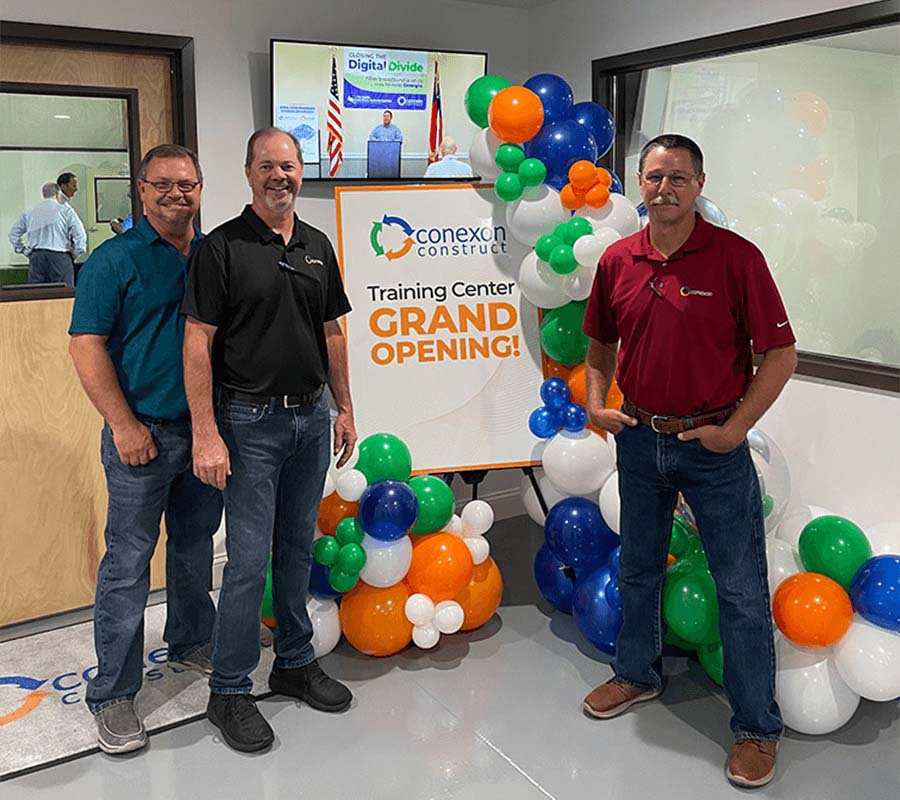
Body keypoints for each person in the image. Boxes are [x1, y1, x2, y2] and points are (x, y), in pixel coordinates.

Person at [581, 134, 797, 790]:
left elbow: (781, 356)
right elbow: (597, 346)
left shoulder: (736, 259)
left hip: (713, 449)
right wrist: (597, 404)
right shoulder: (619, 260)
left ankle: (757, 727)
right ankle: (637, 674)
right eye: (653, 177)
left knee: (740, 590)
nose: (664, 188)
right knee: (639, 569)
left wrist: (735, 430)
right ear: (639, 185)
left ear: (699, 185)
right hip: (641, 441)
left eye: (678, 177)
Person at [182, 127, 357, 753]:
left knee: (297, 550)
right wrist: (206, 432)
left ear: (301, 171)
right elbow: (196, 341)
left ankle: (292, 662)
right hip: (248, 425)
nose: (279, 175)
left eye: (288, 165)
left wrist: (345, 410)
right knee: (249, 559)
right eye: (267, 166)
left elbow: (332, 334)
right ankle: (229, 691)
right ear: (248, 173)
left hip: (311, 420)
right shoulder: (221, 248)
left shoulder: (317, 246)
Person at [68, 145, 223, 755]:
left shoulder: (215, 255)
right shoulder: (114, 261)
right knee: (128, 563)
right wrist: (124, 425)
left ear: (201, 190)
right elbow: (86, 348)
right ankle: (112, 693)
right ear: (141, 189)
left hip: (206, 434)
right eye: (163, 184)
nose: (175, 194)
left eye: (186, 185)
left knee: (191, 549)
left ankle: (189, 642)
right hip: (143, 437)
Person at [8, 182, 86, 287]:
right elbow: (80, 234)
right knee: (63, 295)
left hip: (37, 258)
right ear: (58, 193)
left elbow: (13, 234)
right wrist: (76, 253)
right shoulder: (65, 210)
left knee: (37, 296)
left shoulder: (30, 212)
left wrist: (24, 250)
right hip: (60, 257)